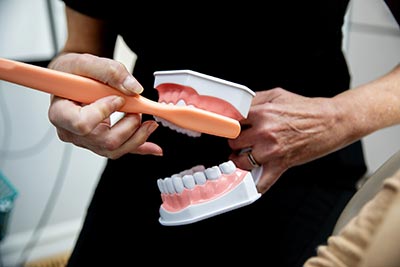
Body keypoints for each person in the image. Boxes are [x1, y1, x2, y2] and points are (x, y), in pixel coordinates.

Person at [46, 1, 399, 266]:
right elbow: (83, 45)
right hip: (149, 153)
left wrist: (336, 119)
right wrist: (67, 82)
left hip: (300, 158)